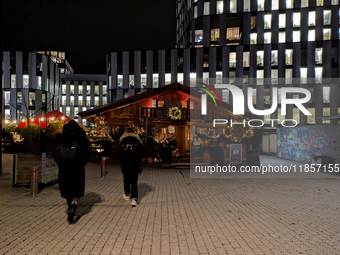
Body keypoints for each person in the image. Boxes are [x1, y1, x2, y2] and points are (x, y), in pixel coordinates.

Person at [53, 120, 90, 223]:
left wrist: (60, 164)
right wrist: (82, 163)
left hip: (64, 167)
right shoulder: (81, 137)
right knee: (77, 187)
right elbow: (86, 152)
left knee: (66, 187)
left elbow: (54, 153)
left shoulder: (61, 137)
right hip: (77, 167)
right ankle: (74, 203)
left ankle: (70, 204)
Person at [117, 128, 145, 207]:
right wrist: (138, 160)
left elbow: (118, 154)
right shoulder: (137, 141)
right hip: (135, 163)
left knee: (126, 178)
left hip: (125, 163)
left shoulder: (122, 141)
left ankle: (126, 193)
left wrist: (122, 161)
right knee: (134, 181)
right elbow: (142, 153)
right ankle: (134, 199)